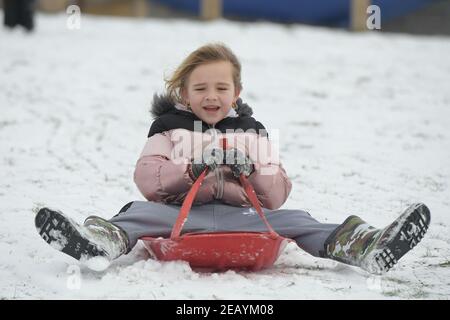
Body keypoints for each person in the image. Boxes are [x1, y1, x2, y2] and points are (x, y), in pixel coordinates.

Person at [35, 43, 430, 274]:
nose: (211, 96)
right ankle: (97, 242)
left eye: (221, 87)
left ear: (236, 90)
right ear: (184, 93)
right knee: (135, 213)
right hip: (178, 216)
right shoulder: (168, 128)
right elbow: (148, 176)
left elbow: (277, 193)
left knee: (300, 221)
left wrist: (254, 170)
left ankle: (363, 244)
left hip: (245, 215)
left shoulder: (254, 130)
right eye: (200, 88)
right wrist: (189, 169)